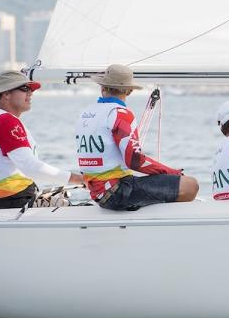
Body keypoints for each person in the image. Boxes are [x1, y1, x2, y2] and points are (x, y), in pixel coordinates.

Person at [76, 64, 198, 210]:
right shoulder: (121, 114)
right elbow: (134, 160)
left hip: (97, 194)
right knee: (190, 185)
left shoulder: (85, 114)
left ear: (102, 88)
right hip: (116, 193)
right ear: (130, 91)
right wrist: (172, 172)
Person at [0, 71, 84, 210]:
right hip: (16, 202)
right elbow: (30, 166)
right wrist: (79, 179)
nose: (30, 93)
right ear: (6, 94)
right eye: (25, 89)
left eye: (31, 90)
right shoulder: (6, 121)